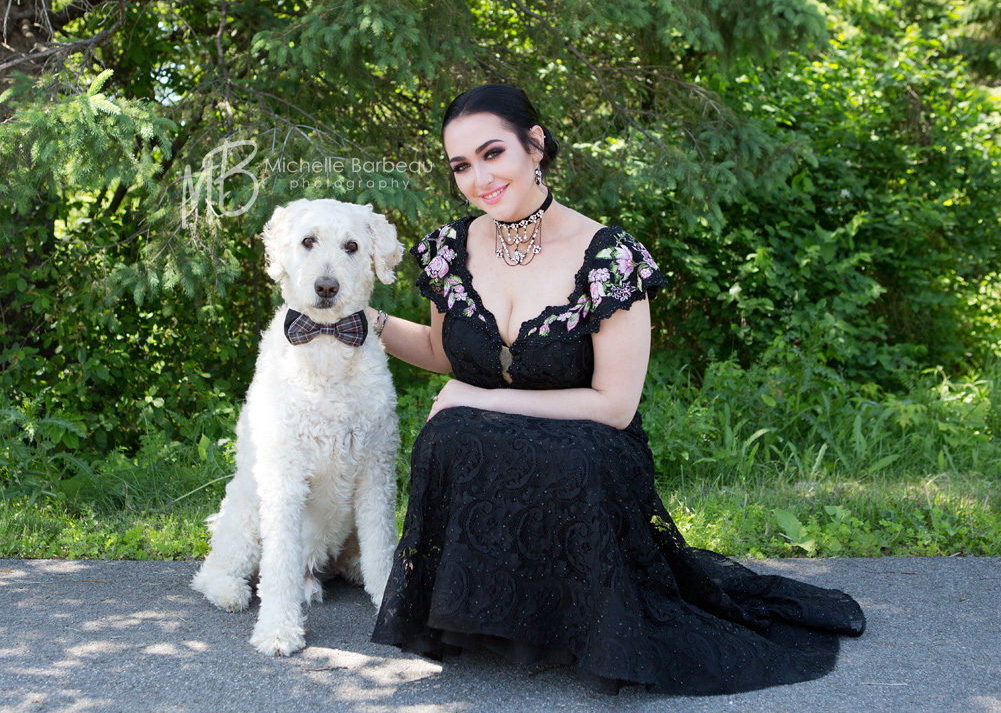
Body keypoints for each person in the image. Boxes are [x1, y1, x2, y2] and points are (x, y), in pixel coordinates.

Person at [366, 84, 865, 695]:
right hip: (496, 442)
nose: (478, 178)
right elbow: (446, 354)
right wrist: (366, 322)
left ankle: (584, 621)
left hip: (591, 447)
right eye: (461, 166)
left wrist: (486, 397)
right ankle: (484, 616)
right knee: (448, 434)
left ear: (536, 145)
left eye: (492, 153)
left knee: (557, 446)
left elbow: (615, 405)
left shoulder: (609, 256)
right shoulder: (451, 249)